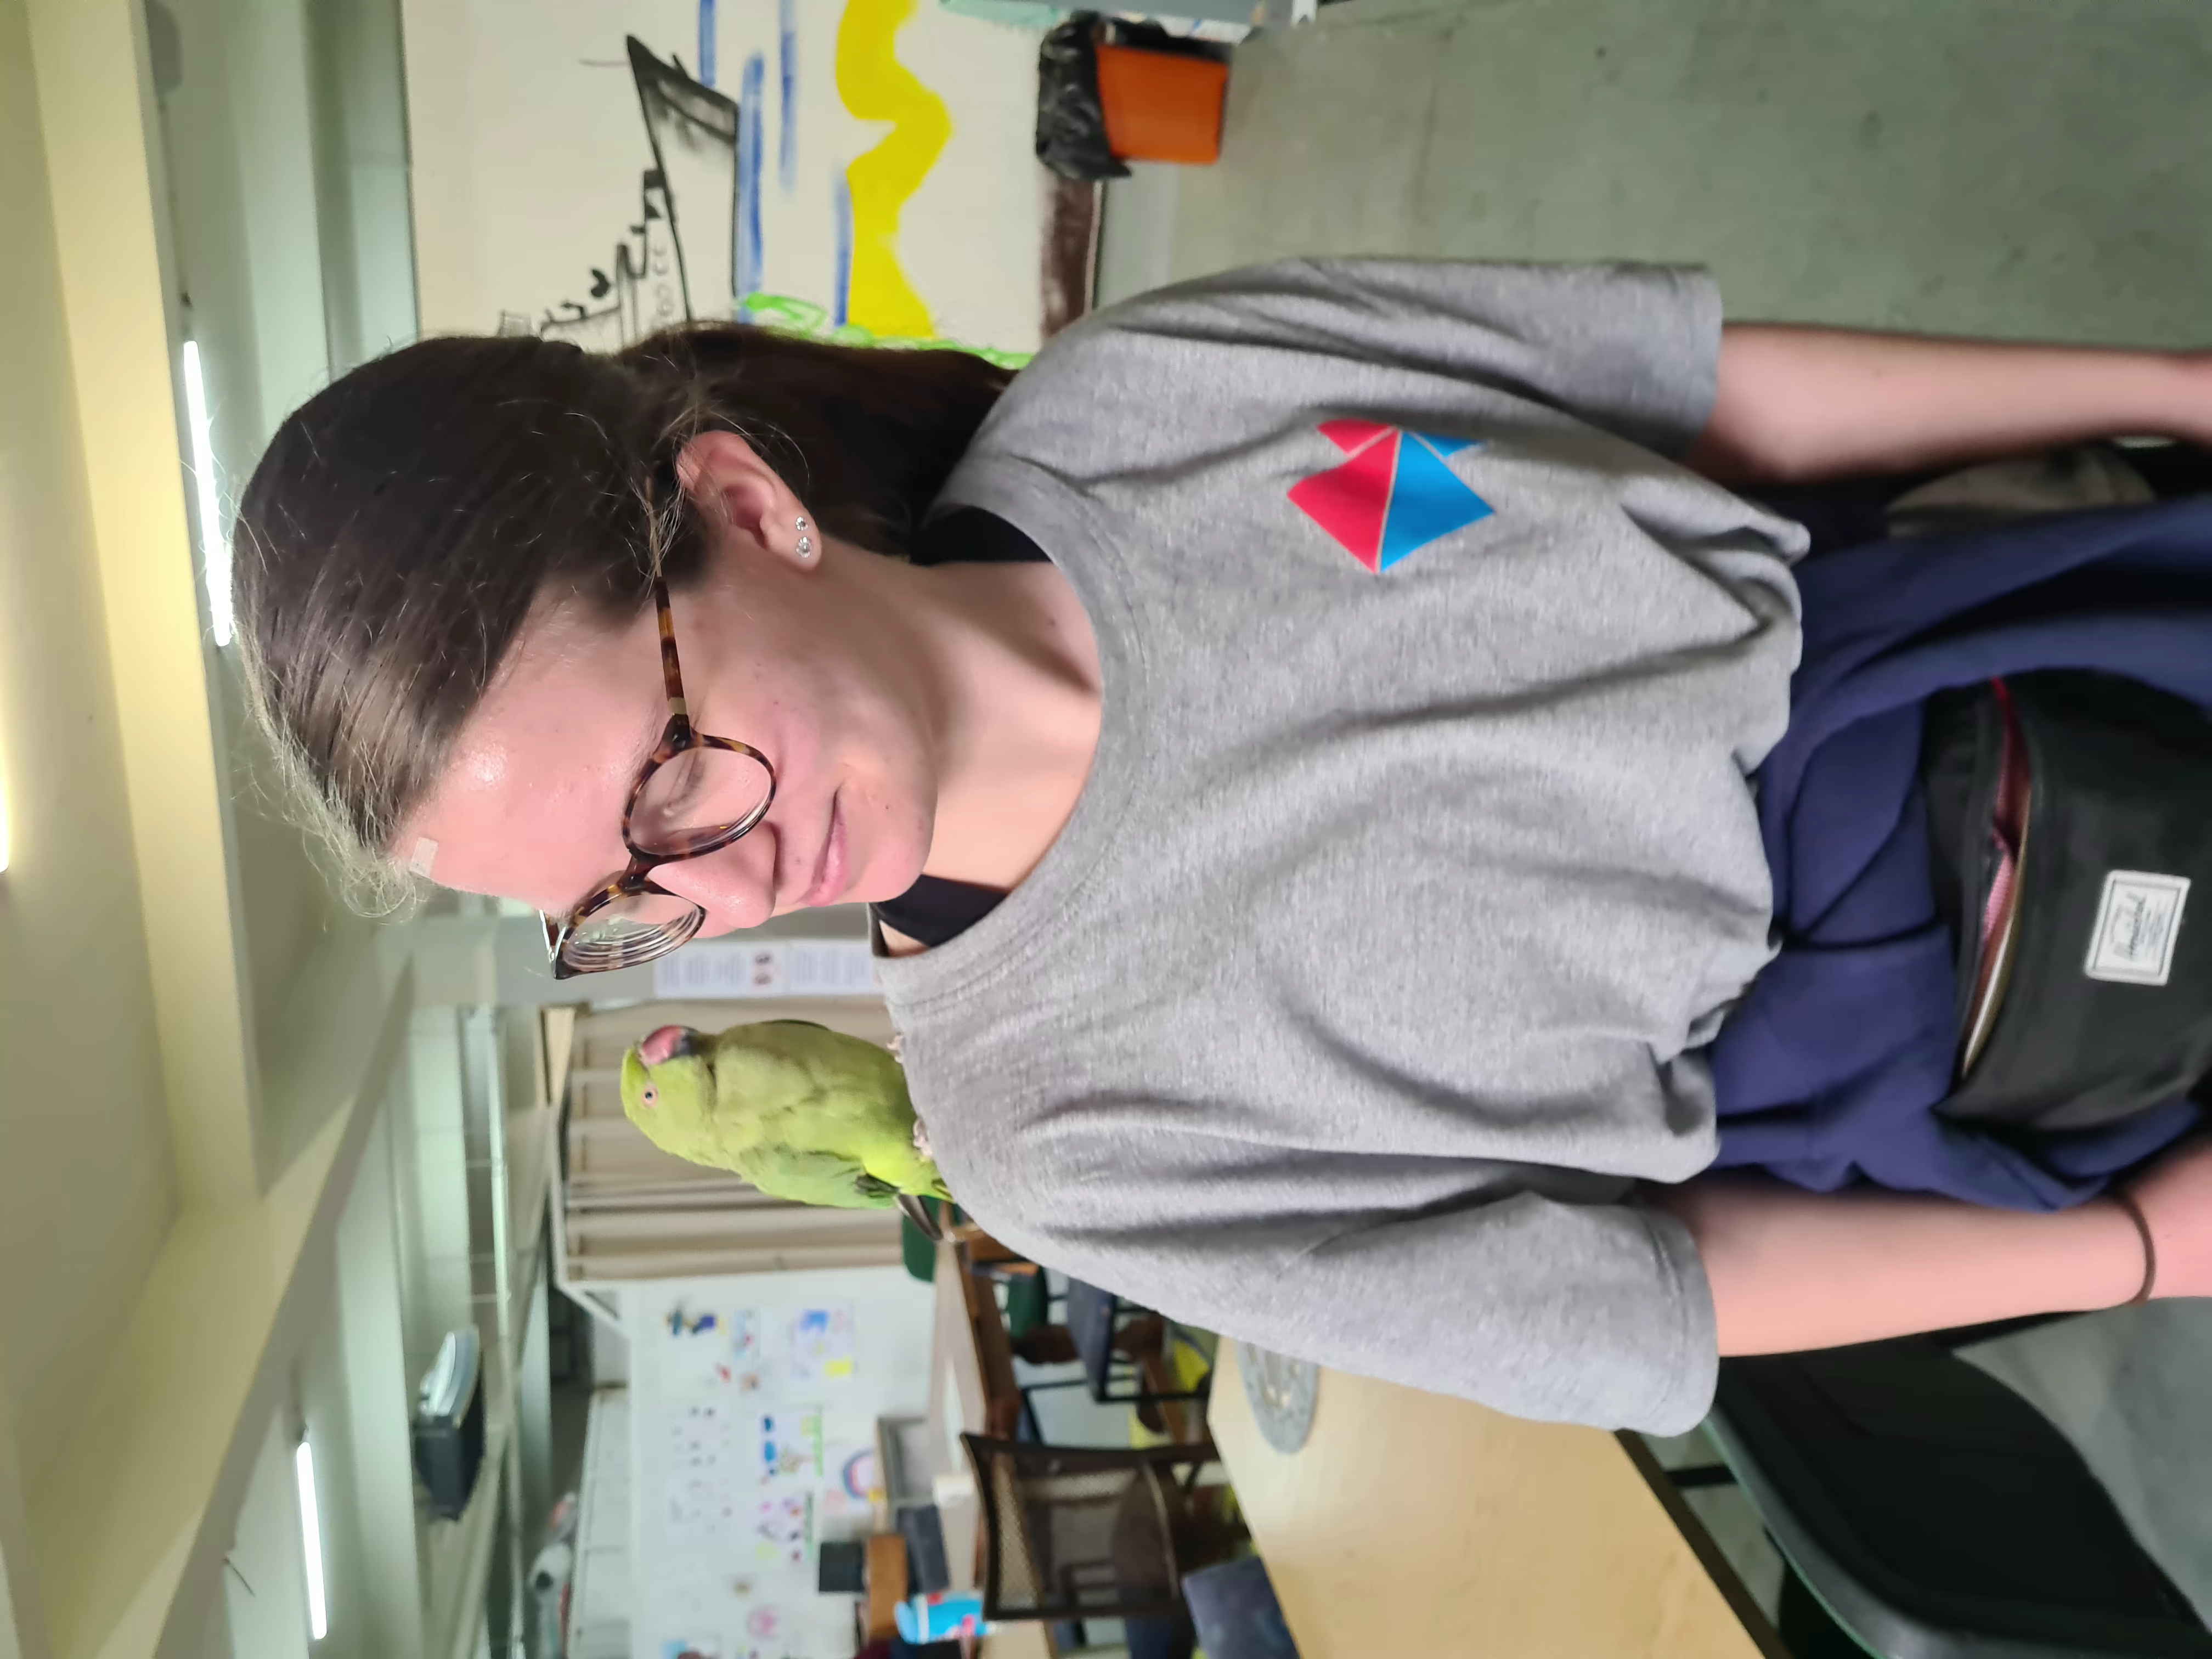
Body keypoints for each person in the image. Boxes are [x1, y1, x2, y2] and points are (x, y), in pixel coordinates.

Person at [233, 259, 2212, 1434]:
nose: (721, 887)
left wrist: (2178, 390)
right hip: (2005, 1036)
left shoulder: (1155, 403)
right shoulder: (1055, 1140)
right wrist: (2129, 1256)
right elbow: (1647, 1295)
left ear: (745, 509)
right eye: (622, 899)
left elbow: (1691, 394)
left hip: (2026, 642)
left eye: (671, 772)